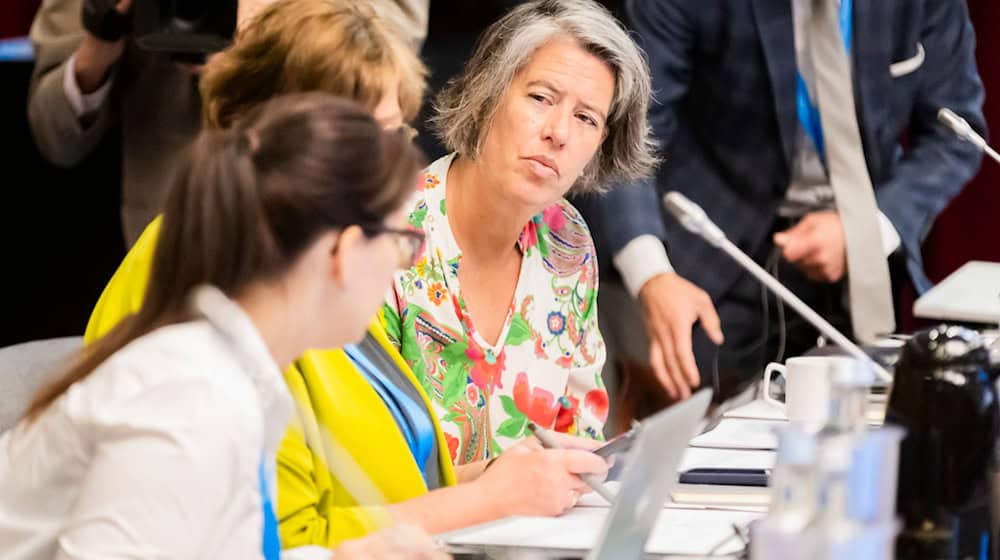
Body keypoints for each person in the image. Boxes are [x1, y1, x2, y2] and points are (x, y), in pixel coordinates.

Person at [82, 0, 610, 549]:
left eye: (396, 134)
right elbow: (283, 542)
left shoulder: (312, 267)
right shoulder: (204, 275)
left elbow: (398, 485)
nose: (400, 166)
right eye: (376, 137)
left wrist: (506, 476)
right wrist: (485, 498)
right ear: (283, 133)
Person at [0, 93, 449, 559]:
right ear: (345, 252)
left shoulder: (231, 374)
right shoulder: (195, 397)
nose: (403, 267)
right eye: (403, 242)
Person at [577, 0, 987, 404]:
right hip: (715, 254)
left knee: (871, 426)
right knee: (700, 441)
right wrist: (653, 277)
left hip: (859, 263)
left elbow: (953, 135)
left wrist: (866, 231)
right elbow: (626, 138)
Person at [381, 0, 658, 466]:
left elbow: (581, 437)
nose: (558, 133)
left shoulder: (567, 239)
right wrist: (503, 483)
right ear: (487, 95)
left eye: (586, 118)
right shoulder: (387, 235)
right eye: (541, 98)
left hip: (543, 534)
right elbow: (373, 474)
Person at [27, 0, 429, 245]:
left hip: (325, 224)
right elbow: (53, 134)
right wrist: (100, 39)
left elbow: (390, 60)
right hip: (168, 227)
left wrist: (274, 32)